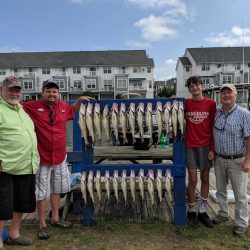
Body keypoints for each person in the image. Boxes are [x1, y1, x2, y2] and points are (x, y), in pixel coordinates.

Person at [22, 79, 94, 240]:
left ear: (58, 93)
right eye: (48, 91)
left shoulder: (63, 107)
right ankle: (41, 224)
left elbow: (73, 111)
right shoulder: (32, 106)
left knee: (57, 189)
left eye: (54, 91)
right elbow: (15, 105)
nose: (51, 94)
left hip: (61, 158)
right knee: (42, 194)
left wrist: (79, 101)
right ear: (43, 93)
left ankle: (55, 218)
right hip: (42, 158)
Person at [0, 77, 40, 248]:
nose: (14, 93)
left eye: (17, 90)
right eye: (10, 89)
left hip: (26, 164)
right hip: (5, 166)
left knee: (21, 203)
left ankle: (14, 235)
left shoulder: (21, 109)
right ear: (2, 90)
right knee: (2, 206)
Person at [213, 84, 250, 237]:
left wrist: (248, 160)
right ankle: (222, 213)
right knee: (220, 190)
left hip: (237, 159)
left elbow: (249, 138)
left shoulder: (244, 114)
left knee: (240, 194)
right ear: (219, 96)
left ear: (235, 95)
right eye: (223, 93)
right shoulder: (217, 113)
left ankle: (241, 223)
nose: (226, 96)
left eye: (229, 93)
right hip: (220, 158)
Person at [185, 76, 216, 228]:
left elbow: (214, 128)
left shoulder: (211, 104)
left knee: (205, 178)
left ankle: (202, 211)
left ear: (202, 86)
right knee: (192, 179)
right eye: (191, 86)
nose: (194, 88)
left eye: (197, 85)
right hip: (190, 145)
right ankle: (191, 209)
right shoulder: (185, 103)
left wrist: (213, 148)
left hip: (206, 145)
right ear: (189, 89)